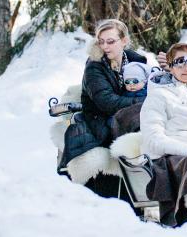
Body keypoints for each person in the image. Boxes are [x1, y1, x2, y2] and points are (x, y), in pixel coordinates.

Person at [61, 19, 152, 167]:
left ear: (124, 40)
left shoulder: (135, 60)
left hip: (130, 113)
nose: (105, 46)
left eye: (110, 41)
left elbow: (150, 85)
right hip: (102, 120)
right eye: (101, 42)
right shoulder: (94, 67)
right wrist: (145, 101)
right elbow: (107, 103)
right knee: (143, 117)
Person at [138, 43, 187, 160]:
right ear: (171, 68)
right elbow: (153, 139)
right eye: (180, 62)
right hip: (167, 158)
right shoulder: (158, 95)